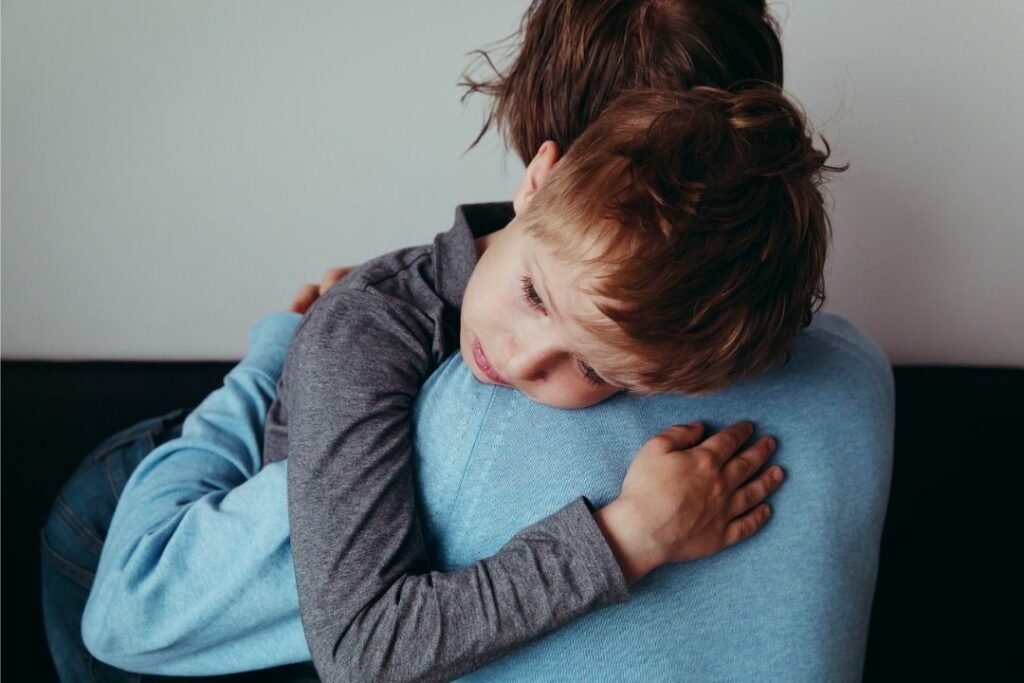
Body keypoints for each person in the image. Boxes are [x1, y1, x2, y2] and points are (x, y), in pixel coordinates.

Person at [42, 2, 891, 681]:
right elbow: (355, 641)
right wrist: (290, 348)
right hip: (201, 468)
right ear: (546, 178)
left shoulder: (528, 388)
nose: (518, 364)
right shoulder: (854, 369)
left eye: (596, 364)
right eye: (533, 293)